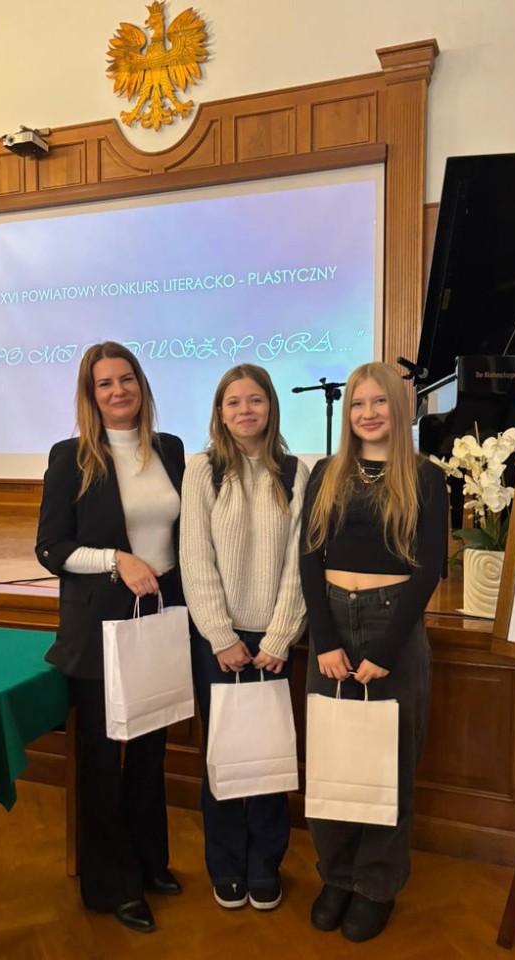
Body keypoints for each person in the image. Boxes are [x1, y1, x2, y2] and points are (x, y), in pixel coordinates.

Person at [35, 341, 185, 934]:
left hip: (161, 617)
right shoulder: (70, 457)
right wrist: (116, 559)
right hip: (97, 626)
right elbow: (52, 548)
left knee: (149, 751)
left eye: (126, 379)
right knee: (100, 760)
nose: (118, 391)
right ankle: (111, 885)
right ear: (90, 395)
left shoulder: (170, 449)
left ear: (141, 385)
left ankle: (149, 863)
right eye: (105, 383)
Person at [299, 361, 448, 943]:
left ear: (398, 408)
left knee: (389, 763)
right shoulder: (327, 473)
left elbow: (428, 568)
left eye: (379, 402)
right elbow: (308, 558)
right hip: (333, 624)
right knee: (334, 758)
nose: (367, 412)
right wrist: (325, 641)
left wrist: (385, 649)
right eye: (358, 403)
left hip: (394, 627)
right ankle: (336, 875)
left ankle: (375, 884)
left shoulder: (425, 477)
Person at [180, 363, 308, 912]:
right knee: (226, 754)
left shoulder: (296, 472)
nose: (244, 410)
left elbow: (300, 563)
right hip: (219, 641)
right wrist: (219, 635)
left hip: (274, 638)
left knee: (269, 755)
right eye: (233, 402)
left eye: (254, 400)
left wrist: (280, 636)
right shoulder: (201, 471)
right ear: (220, 412)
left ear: (270, 406)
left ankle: (265, 865)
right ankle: (227, 864)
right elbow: (195, 558)